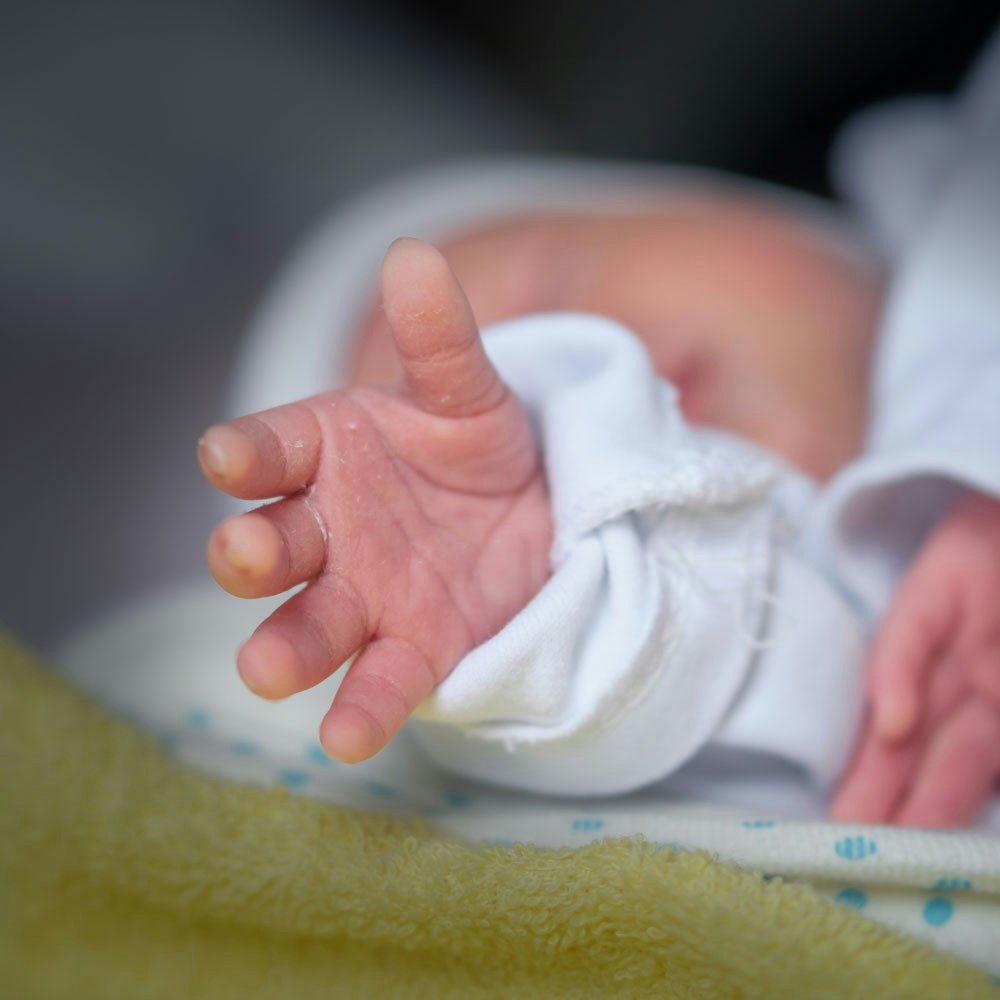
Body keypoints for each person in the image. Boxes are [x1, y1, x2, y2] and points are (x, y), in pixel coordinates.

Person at [198, 29, 1000, 829]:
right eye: (538, 423)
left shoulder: (968, 184)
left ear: (696, 197)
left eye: (560, 283)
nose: (600, 369)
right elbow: (694, 644)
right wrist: (553, 631)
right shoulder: (861, 678)